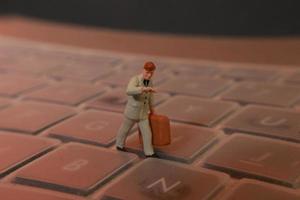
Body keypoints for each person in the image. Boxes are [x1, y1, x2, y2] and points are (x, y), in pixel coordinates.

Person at [116, 61, 157, 157]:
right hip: (132, 112)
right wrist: (142, 89)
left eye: (151, 73)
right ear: (143, 70)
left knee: (147, 133)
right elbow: (129, 91)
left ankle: (149, 153)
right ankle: (119, 144)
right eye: (147, 72)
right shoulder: (135, 79)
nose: (149, 75)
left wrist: (152, 109)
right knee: (125, 129)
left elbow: (150, 97)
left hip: (143, 114)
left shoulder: (150, 82)